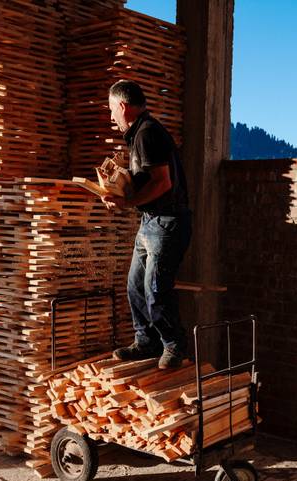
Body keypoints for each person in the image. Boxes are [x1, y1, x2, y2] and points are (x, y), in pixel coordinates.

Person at [101, 80, 192, 369]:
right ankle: (146, 342)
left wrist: (128, 203)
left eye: (112, 110)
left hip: (167, 223)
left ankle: (173, 346)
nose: (111, 117)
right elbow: (151, 177)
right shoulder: (140, 133)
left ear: (123, 106)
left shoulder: (147, 133)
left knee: (155, 288)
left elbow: (163, 183)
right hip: (151, 221)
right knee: (134, 286)